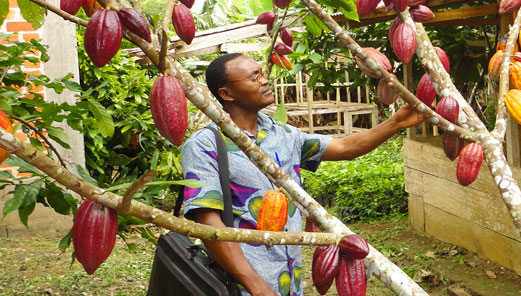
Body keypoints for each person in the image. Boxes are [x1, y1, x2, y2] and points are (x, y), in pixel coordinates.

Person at [180, 53, 425, 296]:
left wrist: (397, 122)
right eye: (253, 77)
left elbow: (346, 147)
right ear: (227, 94)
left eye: (262, 74)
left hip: (290, 278)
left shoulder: (283, 134)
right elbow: (208, 223)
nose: (264, 81)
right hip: (239, 284)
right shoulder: (204, 145)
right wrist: (256, 286)